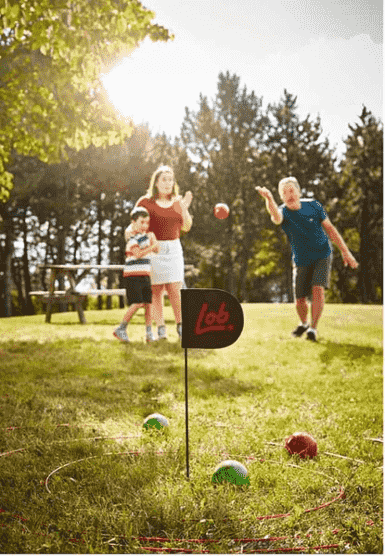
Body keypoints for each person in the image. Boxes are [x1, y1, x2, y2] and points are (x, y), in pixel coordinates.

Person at [256, 177, 358, 342]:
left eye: (291, 190)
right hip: (301, 259)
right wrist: (269, 198)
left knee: (318, 288)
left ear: (298, 191)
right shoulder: (283, 212)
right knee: (300, 300)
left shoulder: (314, 206)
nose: (289, 195)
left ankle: (313, 329)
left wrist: (346, 252)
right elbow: (275, 216)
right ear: (281, 197)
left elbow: (330, 229)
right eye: (284, 192)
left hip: (322, 254)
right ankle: (304, 323)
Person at [133, 165, 193, 340]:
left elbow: (187, 227)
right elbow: (135, 226)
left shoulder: (177, 203)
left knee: (175, 288)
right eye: (164, 179)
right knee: (156, 290)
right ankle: (160, 329)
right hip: (153, 249)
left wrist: (184, 208)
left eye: (170, 179)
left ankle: (181, 327)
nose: (167, 183)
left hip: (173, 248)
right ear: (156, 182)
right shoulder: (145, 202)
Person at [113, 207, 159, 343]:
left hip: (144, 274)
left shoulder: (146, 237)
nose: (145, 226)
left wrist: (153, 241)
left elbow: (156, 249)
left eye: (147, 223)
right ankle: (121, 328)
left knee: (148, 304)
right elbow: (138, 254)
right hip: (133, 276)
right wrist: (152, 245)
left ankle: (149, 334)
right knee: (137, 303)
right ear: (133, 222)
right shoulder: (132, 239)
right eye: (141, 222)